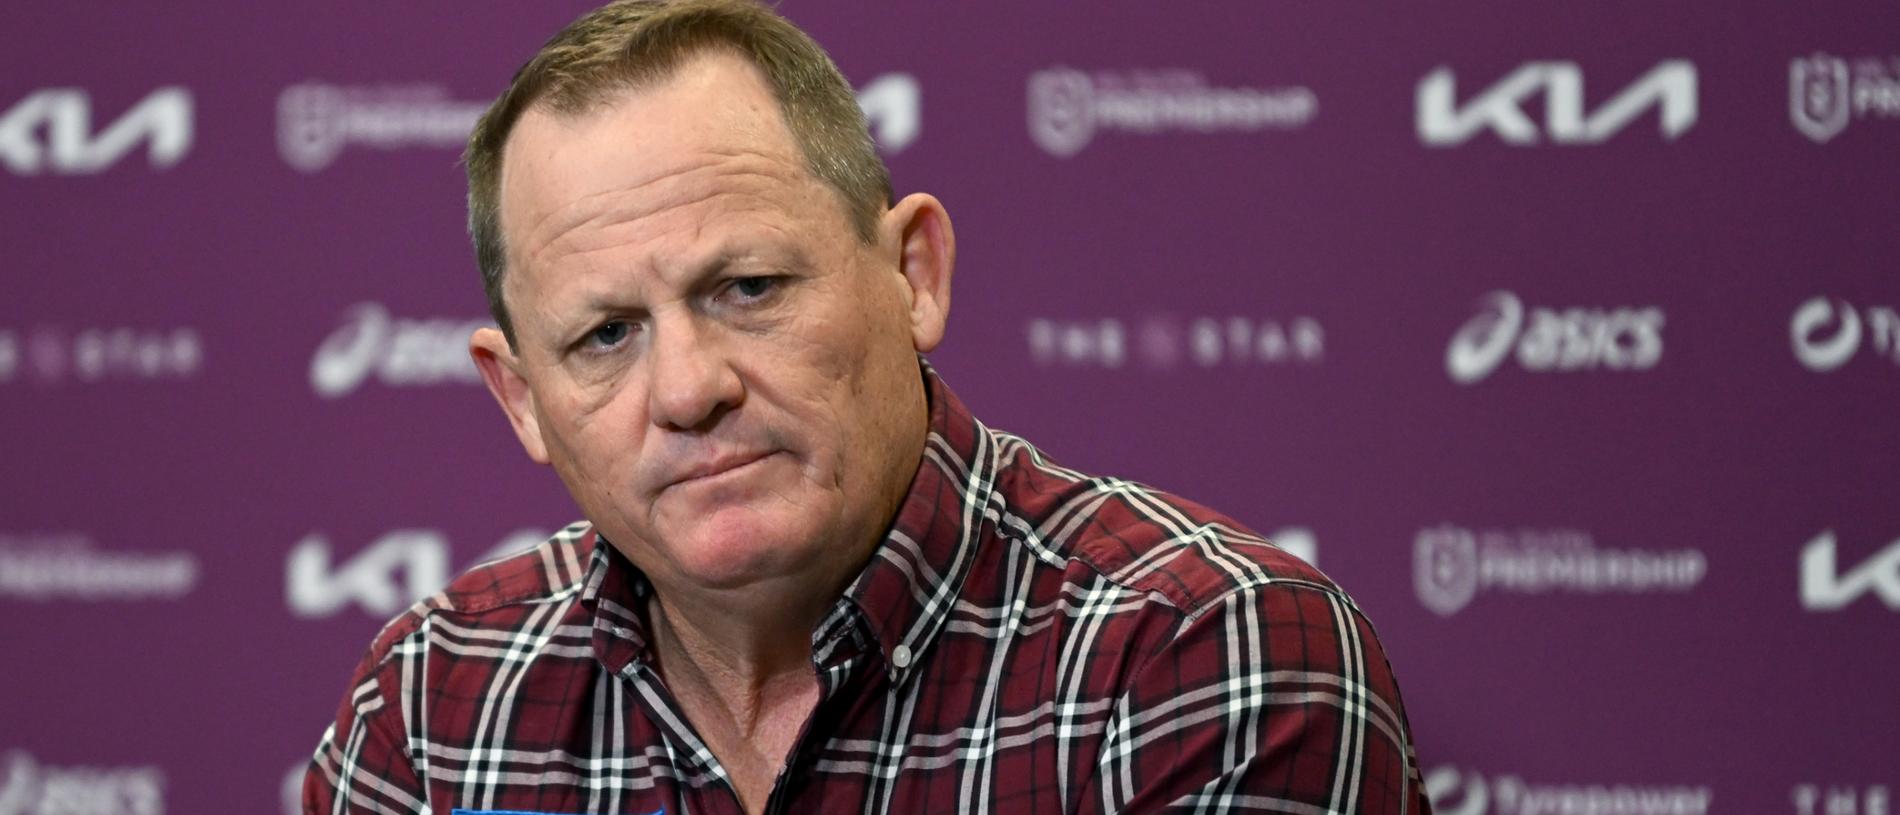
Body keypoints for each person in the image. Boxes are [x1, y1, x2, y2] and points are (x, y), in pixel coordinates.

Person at [304, 1, 1433, 812]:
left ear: (913, 273)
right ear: (522, 398)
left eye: (748, 288)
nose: (690, 389)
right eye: (606, 335)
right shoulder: (434, 702)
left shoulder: (1202, 655)